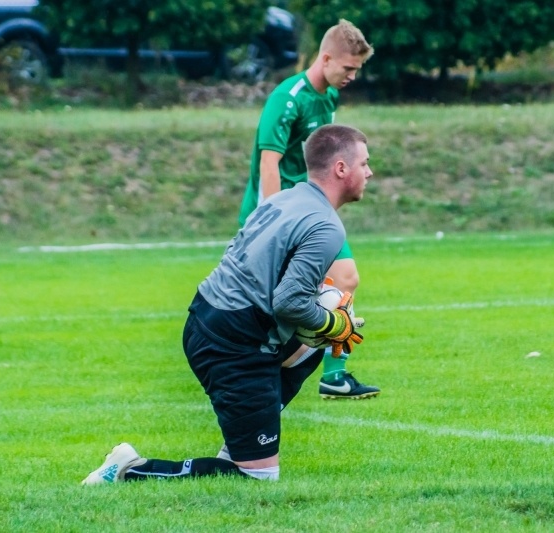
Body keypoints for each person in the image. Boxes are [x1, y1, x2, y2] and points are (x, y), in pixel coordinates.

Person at [82, 124, 371, 484]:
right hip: (233, 342)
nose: (369, 172)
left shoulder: (284, 199)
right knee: (258, 477)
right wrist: (334, 323)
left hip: (207, 317)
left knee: (315, 344)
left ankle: (246, 439)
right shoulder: (326, 226)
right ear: (341, 168)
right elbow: (289, 302)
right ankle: (127, 469)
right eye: (364, 163)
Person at [239, 18, 379, 400]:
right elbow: (269, 164)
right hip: (278, 217)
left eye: (357, 69)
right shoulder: (287, 98)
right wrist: (272, 220)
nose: (352, 76)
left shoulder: (328, 97)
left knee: (345, 278)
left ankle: (334, 375)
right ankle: (256, 376)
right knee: (271, 309)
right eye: (348, 68)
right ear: (326, 58)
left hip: (308, 214)